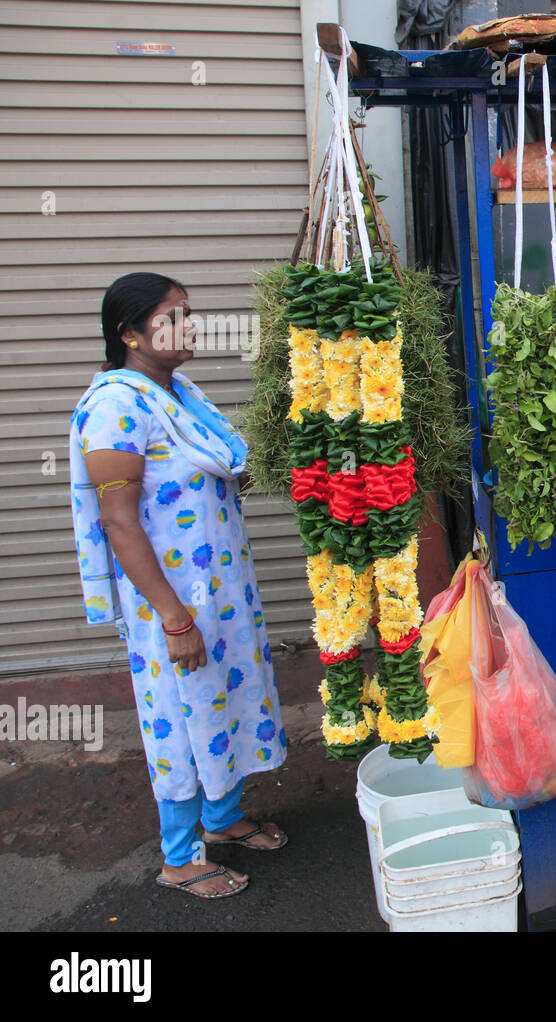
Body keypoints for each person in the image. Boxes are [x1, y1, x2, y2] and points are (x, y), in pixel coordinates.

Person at [69, 272, 288, 899]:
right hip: (171, 602)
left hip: (221, 594)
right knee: (180, 717)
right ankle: (179, 857)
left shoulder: (179, 392)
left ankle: (221, 822)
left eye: (190, 313)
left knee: (226, 701)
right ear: (129, 332)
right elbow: (118, 519)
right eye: (173, 316)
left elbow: (208, 469)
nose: (190, 326)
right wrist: (172, 617)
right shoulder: (116, 406)